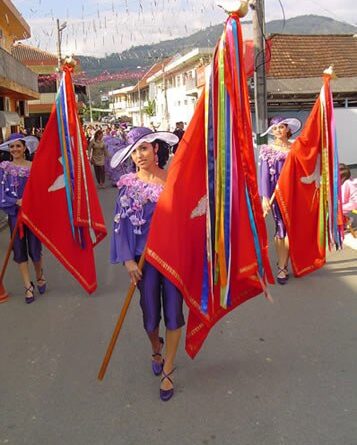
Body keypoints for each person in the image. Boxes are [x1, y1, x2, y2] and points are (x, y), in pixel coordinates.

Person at [110, 127, 183, 402]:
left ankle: (168, 368)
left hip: (172, 258)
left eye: (144, 148)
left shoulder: (174, 181)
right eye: (135, 151)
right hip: (145, 262)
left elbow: (187, 217)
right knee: (150, 315)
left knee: (174, 313)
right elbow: (121, 225)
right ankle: (156, 346)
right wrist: (128, 260)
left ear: (156, 149)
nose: (140, 155)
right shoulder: (128, 186)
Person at [0, 133, 46, 303]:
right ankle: (28, 286)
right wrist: (15, 201)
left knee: (35, 249)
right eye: (11, 147)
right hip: (15, 216)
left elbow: (42, 191)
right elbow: (1, 193)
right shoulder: (4, 169)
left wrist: (30, 201)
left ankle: (39, 275)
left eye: (18, 146)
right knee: (19, 251)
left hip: (32, 215)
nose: (15, 149)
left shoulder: (34, 167)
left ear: (25, 148)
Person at [258, 116, 301, 284]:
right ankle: (282, 266)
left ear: (288, 129)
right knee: (281, 228)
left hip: (294, 194)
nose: (278, 131)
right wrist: (265, 197)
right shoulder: (267, 150)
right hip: (278, 196)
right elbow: (263, 177)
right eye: (275, 128)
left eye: (281, 127)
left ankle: (286, 262)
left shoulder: (296, 148)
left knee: (291, 229)